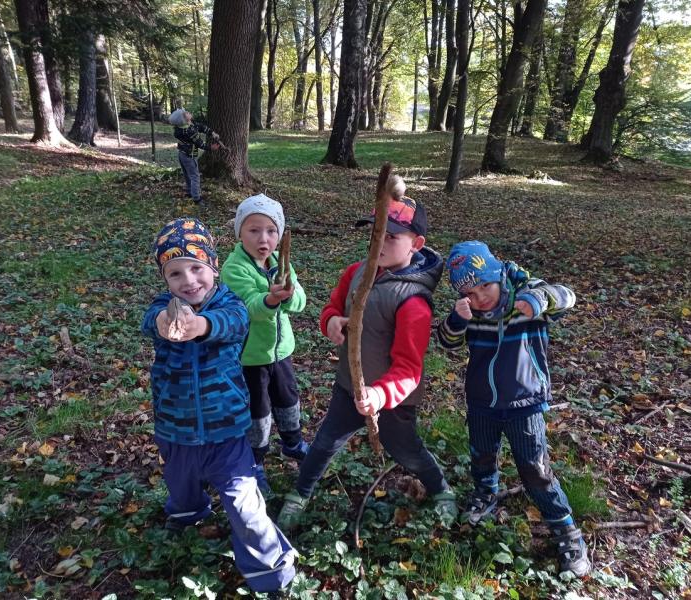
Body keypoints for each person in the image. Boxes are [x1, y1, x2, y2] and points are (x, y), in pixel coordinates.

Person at [276, 190, 457, 532]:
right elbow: (333, 306)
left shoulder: (413, 302)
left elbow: (409, 369)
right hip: (349, 387)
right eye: (376, 234)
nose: (380, 242)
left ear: (416, 244)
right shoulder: (356, 273)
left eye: (392, 236)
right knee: (325, 443)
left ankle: (440, 488)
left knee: (407, 450)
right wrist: (331, 321)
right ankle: (300, 493)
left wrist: (379, 395)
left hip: (393, 403)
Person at [142, 217, 296, 594]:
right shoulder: (163, 307)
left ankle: (270, 571)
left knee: (245, 505)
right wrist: (164, 321)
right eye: (175, 273)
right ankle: (189, 511)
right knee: (181, 484)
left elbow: (234, 323)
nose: (189, 281)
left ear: (213, 266)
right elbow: (150, 322)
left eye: (197, 268)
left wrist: (201, 326)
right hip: (175, 430)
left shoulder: (229, 303)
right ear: (165, 279)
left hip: (226, 431)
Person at [437, 240, 590, 577]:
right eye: (470, 293)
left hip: (525, 402)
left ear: (497, 274)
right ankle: (485, 494)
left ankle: (565, 529)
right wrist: (457, 319)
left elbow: (567, 297)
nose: (480, 297)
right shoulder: (470, 311)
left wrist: (540, 300)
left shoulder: (526, 293)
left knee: (534, 468)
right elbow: (446, 341)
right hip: (482, 401)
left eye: (484, 286)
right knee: (481, 455)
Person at [221, 194, 310, 494]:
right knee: (258, 410)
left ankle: (292, 442)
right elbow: (247, 307)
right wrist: (271, 299)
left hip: (280, 352)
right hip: (251, 357)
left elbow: (300, 301)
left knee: (288, 399)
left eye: (271, 231)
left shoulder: (280, 263)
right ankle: (255, 459)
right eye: (254, 230)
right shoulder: (234, 269)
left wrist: (289, 293)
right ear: (240, 233)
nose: (263, 238)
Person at [168, 108, 220, 205]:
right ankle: (196, 198)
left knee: (187, 174)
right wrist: (211, 148)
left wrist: (212, 133)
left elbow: (200, 127)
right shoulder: (189, 131)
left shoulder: (183, 126)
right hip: (189, 156)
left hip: (182, 154)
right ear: (184, 119)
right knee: (195, 176)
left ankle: (189, 192)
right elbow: (200, 144)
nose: (188, 112)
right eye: (185, 113)